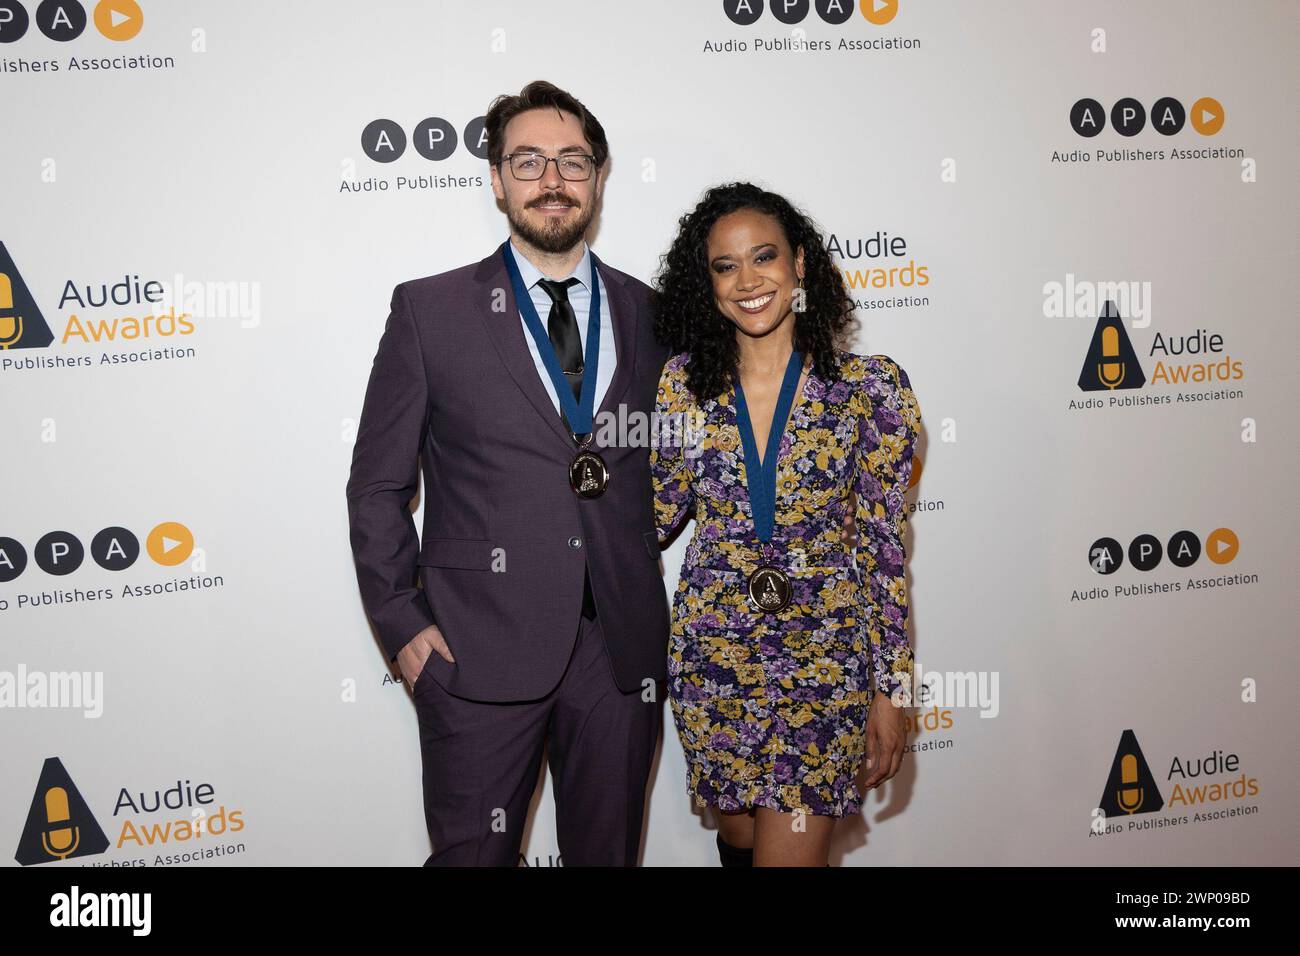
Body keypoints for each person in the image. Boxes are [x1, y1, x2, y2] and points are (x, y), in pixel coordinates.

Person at [345, 81, 670, 866]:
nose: (551, 180)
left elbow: (677, 464)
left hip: (619, 654)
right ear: (496, 179)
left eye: (572, 161)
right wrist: (403, 627)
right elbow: (377, 485)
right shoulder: (431, 311)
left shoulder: (651, 312)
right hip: (474, 650)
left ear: (598, 177)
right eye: (528, 161)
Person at [649, 182, 921, 867]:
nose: (747, 280)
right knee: (739, 840)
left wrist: (892, 691)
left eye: (763, 256)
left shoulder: (872, 389)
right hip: (715, 658)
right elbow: (651, 515)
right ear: (705, 282)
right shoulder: (683, 387)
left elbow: (885, 554)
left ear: (799, 263)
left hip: (824, 661)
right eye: (725, 265)